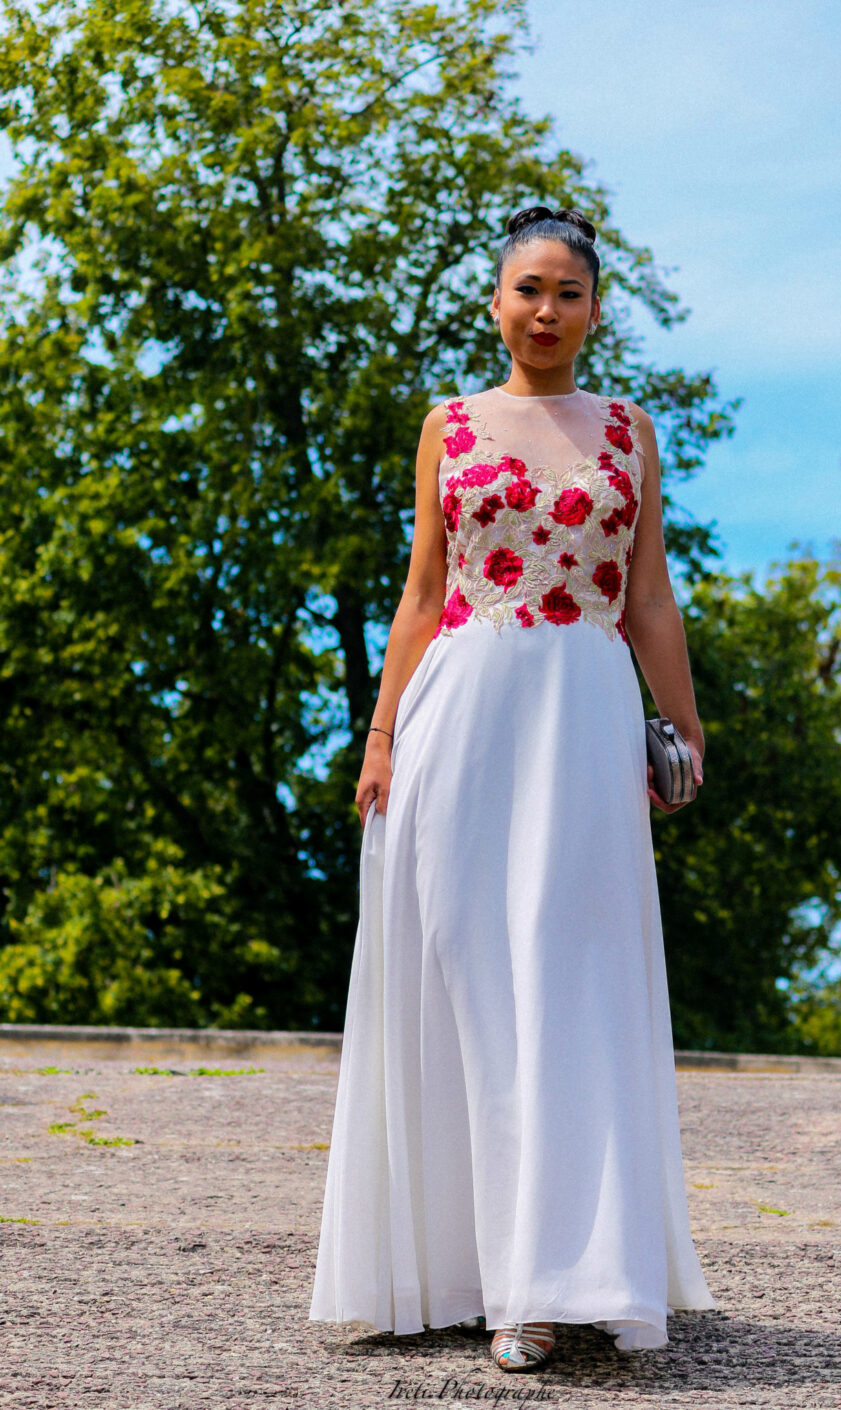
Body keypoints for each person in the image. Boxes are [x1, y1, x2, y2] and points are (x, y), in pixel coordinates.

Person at [308, 205, 716, 1372]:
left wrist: (684, 727)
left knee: (571, 981)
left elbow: (648, 597)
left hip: (585, 719)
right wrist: (380, 737)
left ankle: (562, 1274)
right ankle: (484, 1278)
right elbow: (421, 591)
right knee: (471, 979)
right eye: (527, 289)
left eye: (567, 292)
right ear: (495, 303)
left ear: (594, 309)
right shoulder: (448, 425)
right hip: (461, 714)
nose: (546, 311)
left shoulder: (629, 430)